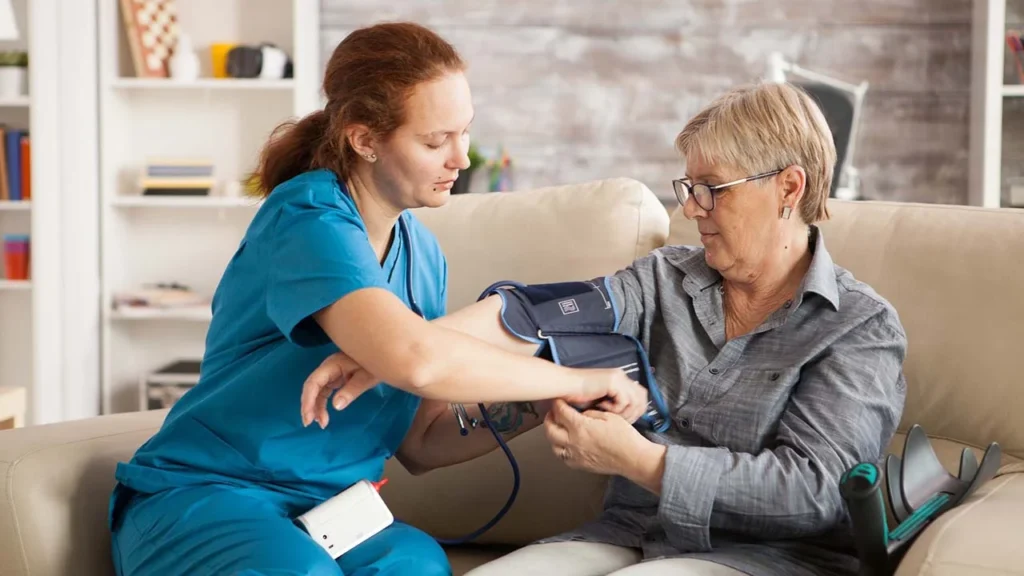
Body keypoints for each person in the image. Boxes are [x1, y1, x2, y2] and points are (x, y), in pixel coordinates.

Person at [107, 22, 649, 576]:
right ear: (364, 140)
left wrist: (544, 403)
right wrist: (573, 377)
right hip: (212, 496)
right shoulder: (308, 220)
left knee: (417, 564)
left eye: (464, 133)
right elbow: (417, 360)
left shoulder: (423, 253)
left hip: (327, 515)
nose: (461, 159)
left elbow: (421, 442)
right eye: (435, 141)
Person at [302, 82, 908, 576]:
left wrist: (644, 462)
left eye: (711, 190)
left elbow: (815, 492)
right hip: (626, 535)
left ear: (789, 187)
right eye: (688, 188)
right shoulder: (665, 278)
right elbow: (531, 315)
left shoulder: (859, 328)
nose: (690, 209)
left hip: (766, 558)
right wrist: (394, 352)